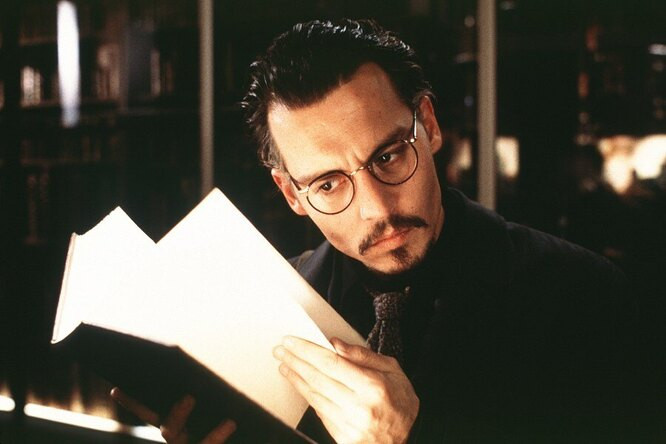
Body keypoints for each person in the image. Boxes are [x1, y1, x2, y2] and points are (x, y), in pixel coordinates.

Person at [113, 19, 655, 443]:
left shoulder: (584, 296)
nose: (376, 209)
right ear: (291, 194)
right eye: (328, 184)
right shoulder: (265, 315)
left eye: (389, 156)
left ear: (430, 126)